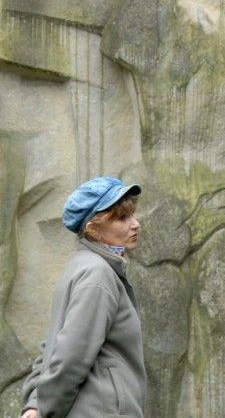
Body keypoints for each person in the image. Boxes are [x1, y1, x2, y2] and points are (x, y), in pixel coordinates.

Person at [20, 176, 146, 418]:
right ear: (93, 229)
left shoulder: (80, 265)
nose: (136, 224)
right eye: (122, 218)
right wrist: (44, 409)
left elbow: (52, 344)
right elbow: (69, 357)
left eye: (132, 215)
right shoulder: (97, 275)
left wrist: (36, 403)